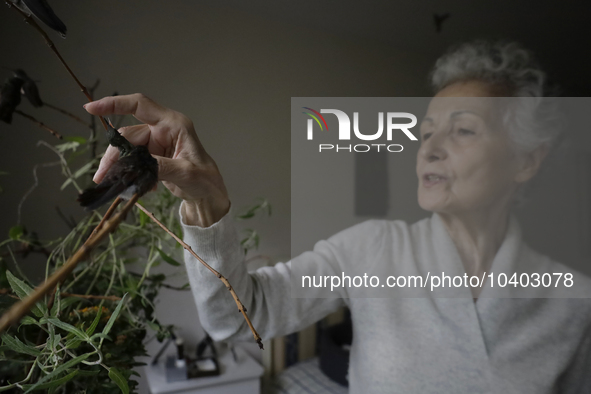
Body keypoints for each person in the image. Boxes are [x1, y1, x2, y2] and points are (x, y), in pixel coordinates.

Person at [85, 40, 591, 393]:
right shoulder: (373, 249)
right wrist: (206, 201)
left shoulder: (573, 305)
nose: (429, 148)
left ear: (527, 160)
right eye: (426, 131)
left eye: (462, 131)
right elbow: (236, 320)